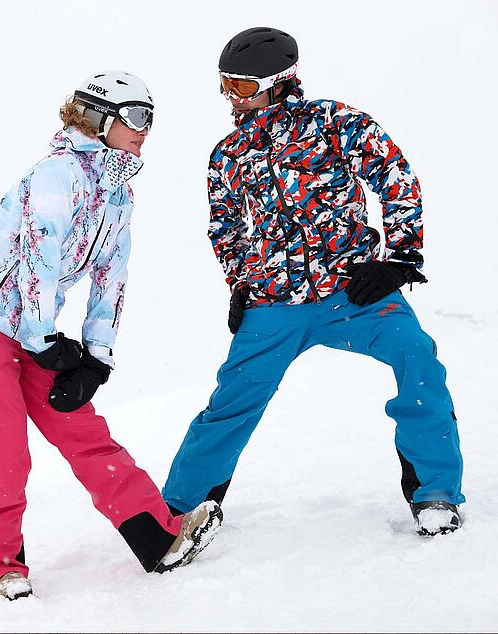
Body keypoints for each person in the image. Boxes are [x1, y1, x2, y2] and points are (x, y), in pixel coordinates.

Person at [162, 27, 465, 538]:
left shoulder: (334, 123)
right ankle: (179, 509)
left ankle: (434, 492)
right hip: (274, 301)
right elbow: (226, 227)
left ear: (279, 81)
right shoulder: (227, 154)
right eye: (224, 86)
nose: (229, 98)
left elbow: (396, 176)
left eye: (239, 86)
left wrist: (401, 257)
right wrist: (239, 283)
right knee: (231, 402)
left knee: (419, 359)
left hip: (355, 293)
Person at [0, 71, 222, 600]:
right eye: (137, 117)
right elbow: (39, 266)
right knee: (6, 451)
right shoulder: (57, 174)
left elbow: (111, 277)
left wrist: (97, 357)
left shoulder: (119, 194)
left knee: (80, 428)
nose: (146, 129)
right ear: (99, 117)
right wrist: (45, 340)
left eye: (151, 118)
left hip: (30, 327)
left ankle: (157, 539)